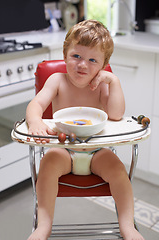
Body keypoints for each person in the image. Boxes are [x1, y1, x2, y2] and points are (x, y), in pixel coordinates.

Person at [26, 20, 144, 240]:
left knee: (119, 172)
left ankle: (128, 227)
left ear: (102, 65)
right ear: (65, 54)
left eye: (92, 60)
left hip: (96, 151)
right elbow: (36, 105)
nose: (82, 65)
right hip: (64, 150)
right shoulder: (57, 80)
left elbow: (116, 114)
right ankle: (43, 226)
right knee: (47, 165)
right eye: (76, 56)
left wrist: (114, 81)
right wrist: (35, 121)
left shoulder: (101, 86)